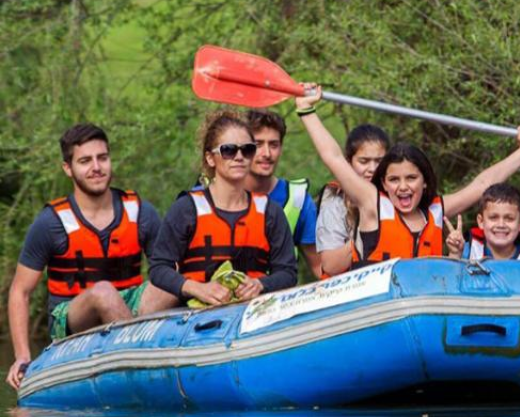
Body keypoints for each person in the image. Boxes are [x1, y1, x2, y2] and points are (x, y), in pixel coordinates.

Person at [294, 85, 520, 266]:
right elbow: (334, 158)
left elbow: (483, 183)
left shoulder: (436, 209)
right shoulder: (372, 203)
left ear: (424, 182)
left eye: (411, 178)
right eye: (393, 179)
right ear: (383, 184)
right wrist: (307, 112)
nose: (403, 187)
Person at [6, 123, 162, 390]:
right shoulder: (50, 223)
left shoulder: (140, 212)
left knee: (169, 285)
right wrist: (22, 355)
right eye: (85, 161)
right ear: (68, 168)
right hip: (71, 314)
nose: (96, 167)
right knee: (103, 292)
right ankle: (140, 367)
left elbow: (167, 270)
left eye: (102, 158)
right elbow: (20, 291)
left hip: (130, 302)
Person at [147, 110, 297, 307]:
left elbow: (288, 273)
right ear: (210, 158)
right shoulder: (186, 209)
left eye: (247, 150)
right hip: (193, 313)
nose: (239, 157)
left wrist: (260, 284)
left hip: (251, 312)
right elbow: (159, 268)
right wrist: (197, 288)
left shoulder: (271, 212)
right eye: (228, 150)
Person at [242, 110, 323, 279]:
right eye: (258, 144)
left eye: (273, 145)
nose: (267, 154)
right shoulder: (216, 194)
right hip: (223, 301)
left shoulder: (298, 200)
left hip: (279, 300)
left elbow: (320, 268)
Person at [315, 123, 391, 277]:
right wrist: (368, 231)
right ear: (348, 163)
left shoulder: (399, 197)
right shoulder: (334, 203)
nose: (372, 169)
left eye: (379, 161)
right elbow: (330, 265)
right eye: (364, 162)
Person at [444, 183, 520, 272]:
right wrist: (454, 254)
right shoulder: (469, 248)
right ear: (481, 221)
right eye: (493, 217)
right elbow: (448, 283)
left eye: (509, 218)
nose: (501, 225)